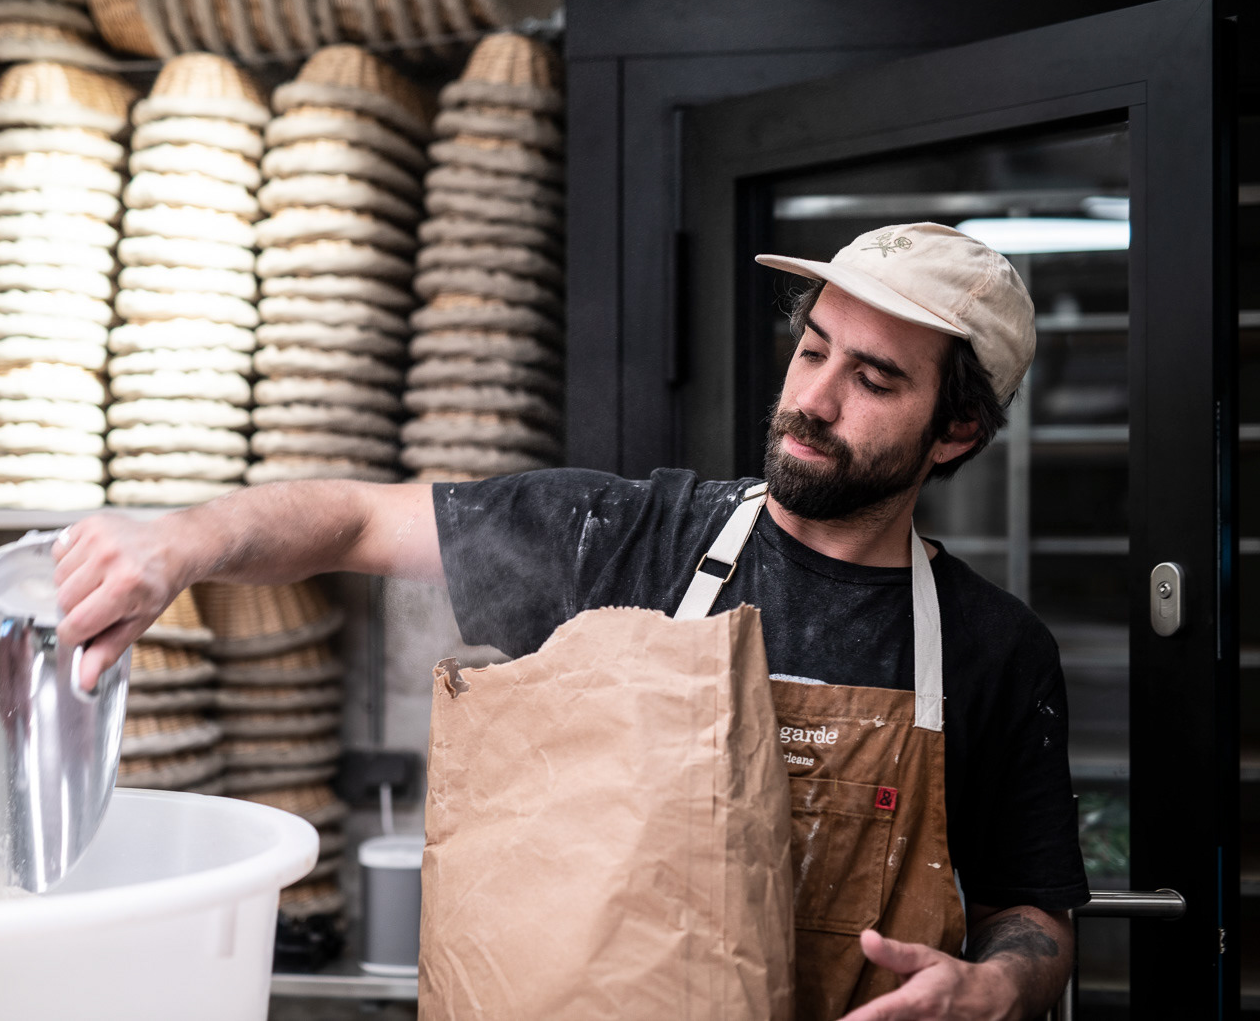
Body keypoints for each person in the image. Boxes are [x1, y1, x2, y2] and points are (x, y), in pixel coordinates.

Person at [55, 222, 1087, 1021]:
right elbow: (356, 516)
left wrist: (995, 986)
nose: (811, 399)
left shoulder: (993, 649)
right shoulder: (631, 537)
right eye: (812, 349)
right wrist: (179, 541)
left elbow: (1033, 912)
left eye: (872, 379)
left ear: (955, 429)